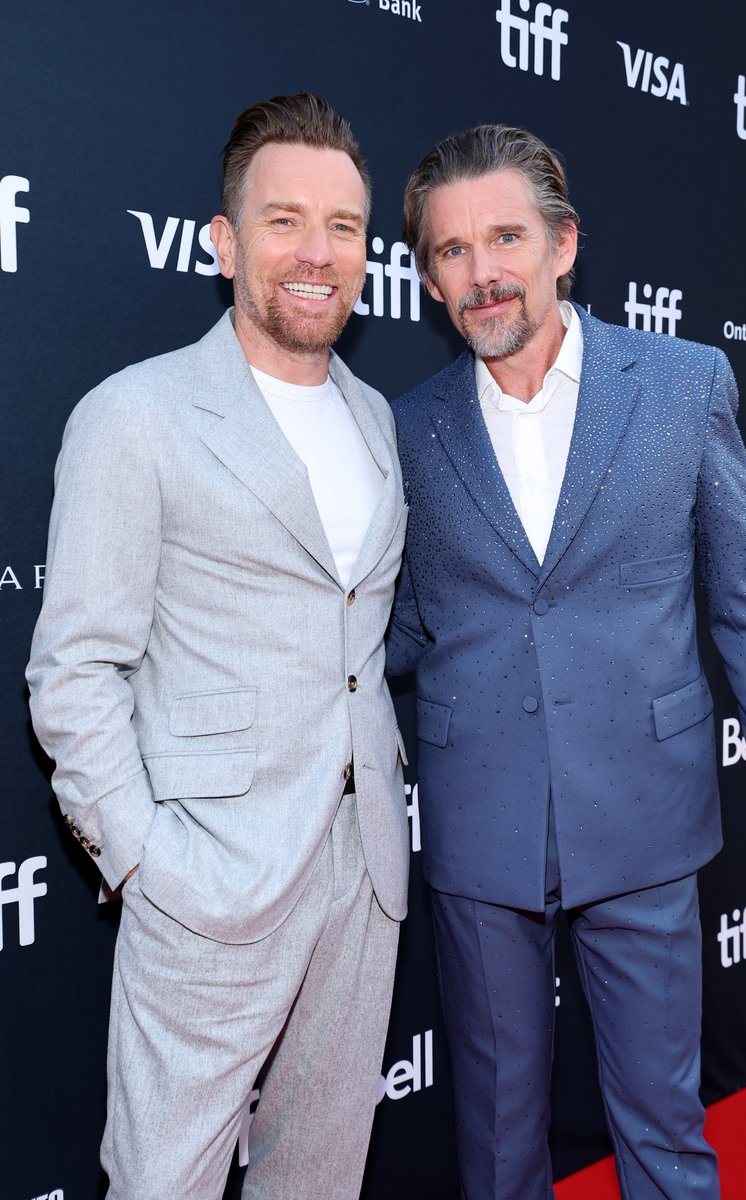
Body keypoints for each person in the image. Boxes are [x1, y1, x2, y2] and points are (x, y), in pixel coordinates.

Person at [386, 123, 746, 1200]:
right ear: (429, 279)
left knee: (663, 1132)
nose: (483, 272)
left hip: (645, 811)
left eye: (505, 238)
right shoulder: (401, 429)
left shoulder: (681, 385)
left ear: (564, 244)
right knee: (497, 1147)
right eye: (452, 250)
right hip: (480, 827)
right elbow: (393, 625)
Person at [27, 93, 409, 1200]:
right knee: (165, 1180)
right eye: (284, 220)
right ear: (224, 243)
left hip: (363, 872)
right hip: (209, 877)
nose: (317, 252)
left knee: (320, 1175)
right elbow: (75, 668)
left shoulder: (375, 418)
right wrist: (144, 859)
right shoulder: (134, 415)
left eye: (343, 226)